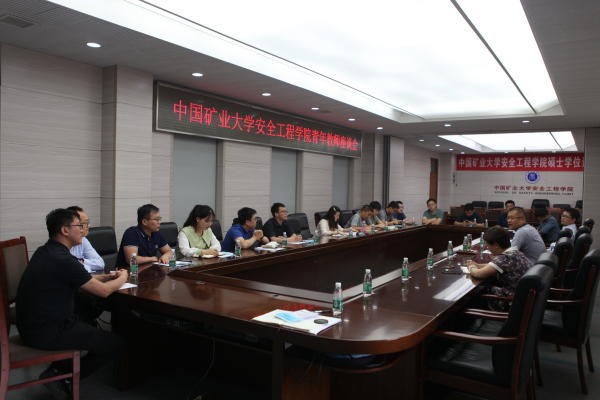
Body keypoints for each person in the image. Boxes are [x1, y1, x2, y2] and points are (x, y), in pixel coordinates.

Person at [16, 209, 128, 399]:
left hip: (32, 325)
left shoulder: (47, 251)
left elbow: (80, 277)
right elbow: (104, 292)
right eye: (79, 226)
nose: (83, 230)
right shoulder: (63, 259)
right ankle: (62, 377)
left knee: (87, 318)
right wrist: (123, 276)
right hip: (46, 331)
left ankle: (59, 370)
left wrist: (107, 277)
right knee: (115, 343)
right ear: (65, 230)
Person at [466, 226, 532, 298]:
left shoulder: (504, 258)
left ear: (496, 245)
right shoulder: (515, 252)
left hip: (510, 299)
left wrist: (471, 266)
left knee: (479, 290)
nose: (487, 248)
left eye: (488, 245)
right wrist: (477, 265)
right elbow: (492, 266)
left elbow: (478, 274)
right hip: (522, 295)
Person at [66, 206, 105, 273]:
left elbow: (100, 264)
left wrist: (82, 261)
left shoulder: (83, 239)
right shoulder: (60, 247)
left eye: (88, 222)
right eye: (86, 223)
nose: (89, 226)